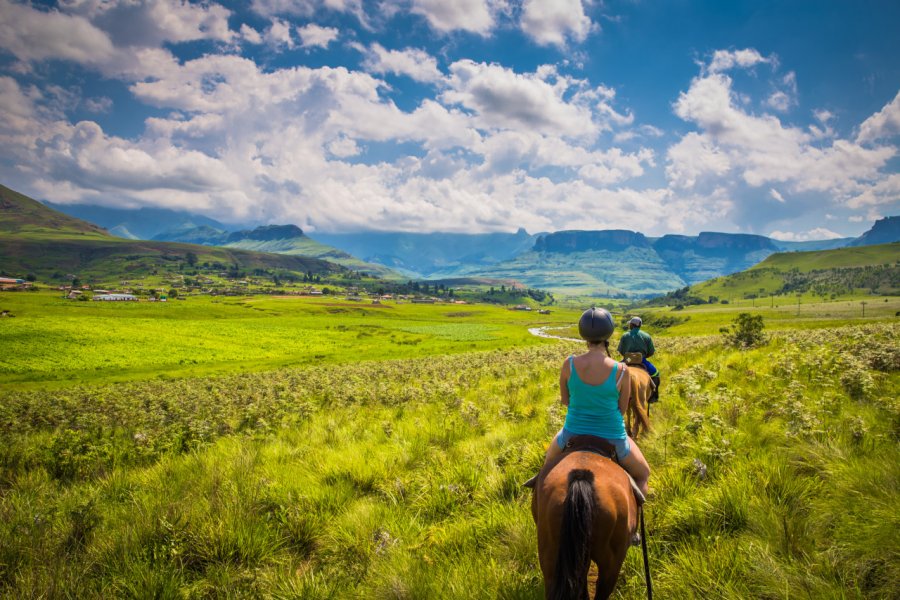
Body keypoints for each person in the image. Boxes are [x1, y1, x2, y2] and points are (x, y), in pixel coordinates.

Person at [525, 307, 650, 496]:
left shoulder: (569, 364)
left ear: (583, 334)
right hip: (613, 437)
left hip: (572, 432)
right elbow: (622, 409)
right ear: (608, 333)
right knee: (643, 474)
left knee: (545, 469)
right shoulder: (622, 370)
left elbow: (565, 401)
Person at [617, 316, 660, 402]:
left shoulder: (625, 335)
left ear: (632, 325)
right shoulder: (646, 336)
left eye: (630, 324)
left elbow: (621, 351)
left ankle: (612, 395)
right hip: (641, 360)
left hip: (627, 360)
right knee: (656, 373)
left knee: (614, 372)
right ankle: (654, 396)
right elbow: (651, 352)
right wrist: (642, 357)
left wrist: (628, 358)